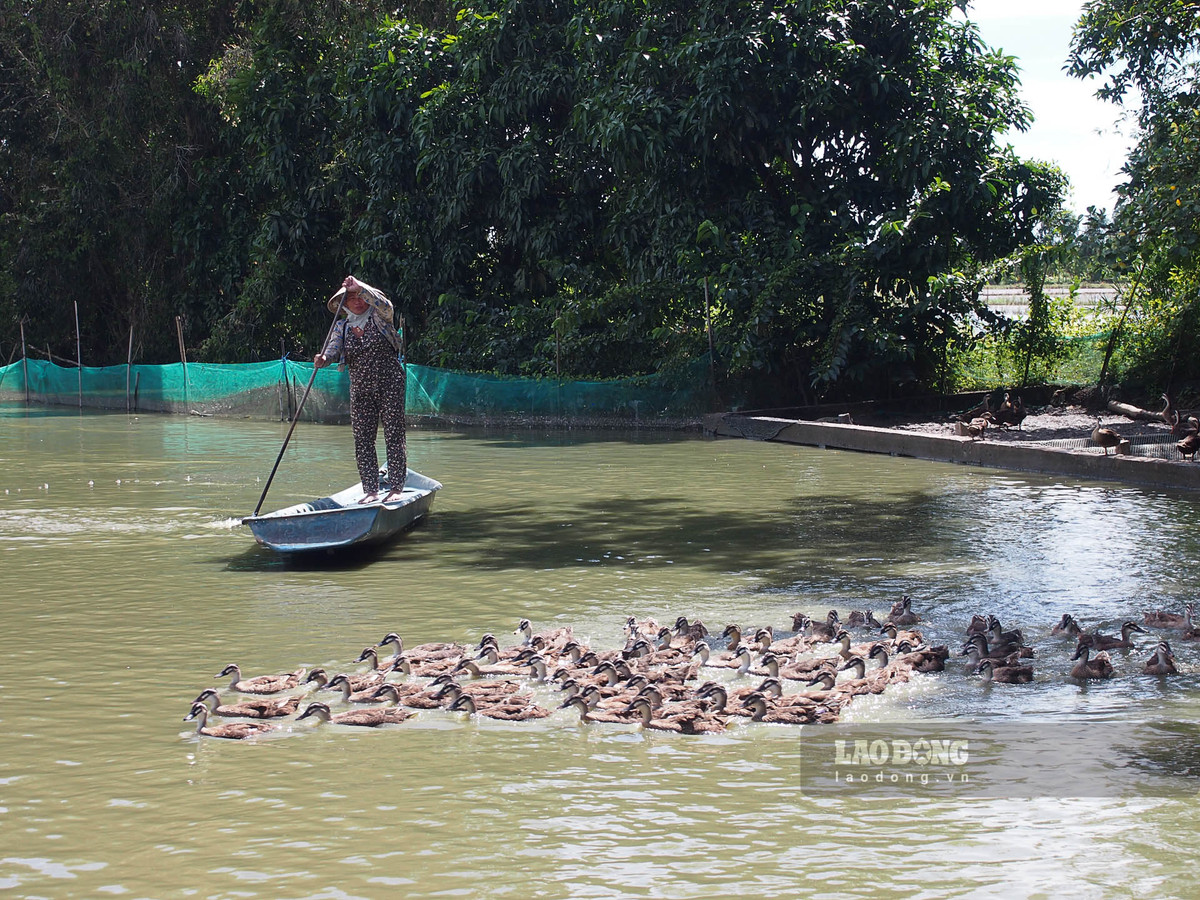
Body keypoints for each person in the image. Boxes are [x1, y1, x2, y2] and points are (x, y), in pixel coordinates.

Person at [314, 275, 406, 503]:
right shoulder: (342, 326)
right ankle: (371, 490)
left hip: (390, 384)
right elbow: (333, 349)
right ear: (343, 304)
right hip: (361, 390)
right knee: (363, 439)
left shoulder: (380, 317)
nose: (357, 301)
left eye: (360, 296)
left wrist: (360, 287)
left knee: (394, 434)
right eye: (351, 298)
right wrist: (323, 358)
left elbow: (387, 305)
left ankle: (396, 487)